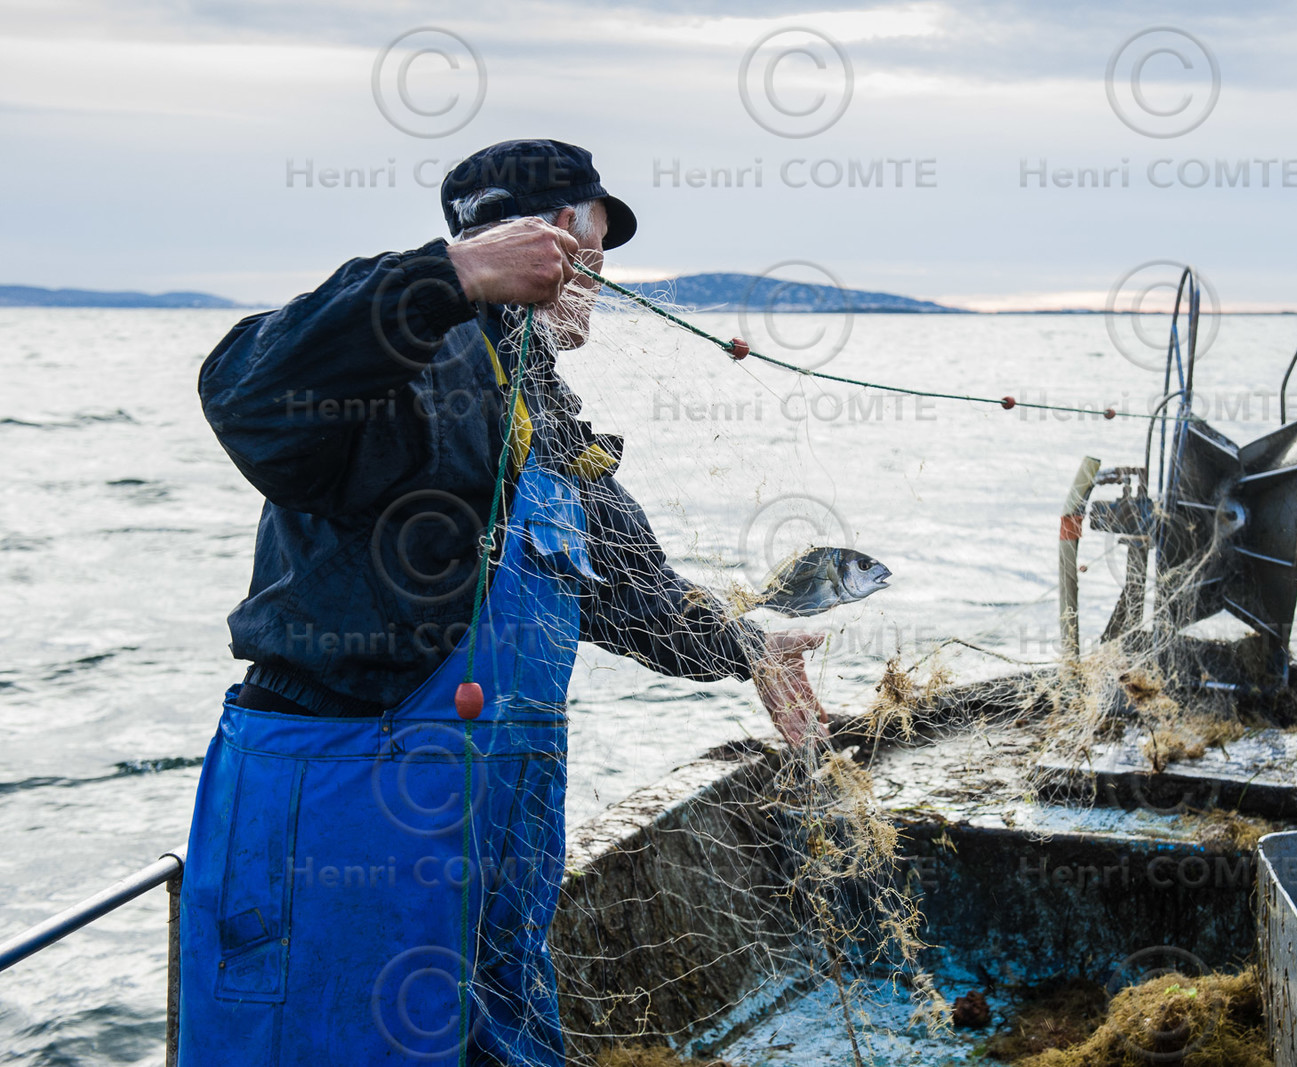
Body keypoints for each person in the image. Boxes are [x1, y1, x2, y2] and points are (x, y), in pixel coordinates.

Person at [180, 138, 827, 1065]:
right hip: (340, 810)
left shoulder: (545, 409)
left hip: (496, 828)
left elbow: (628, 592)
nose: (599, 281)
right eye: (593, 254)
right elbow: (244, 390)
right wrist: (449, 274)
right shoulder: (397, 353)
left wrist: (747, 648)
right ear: (550, 236)